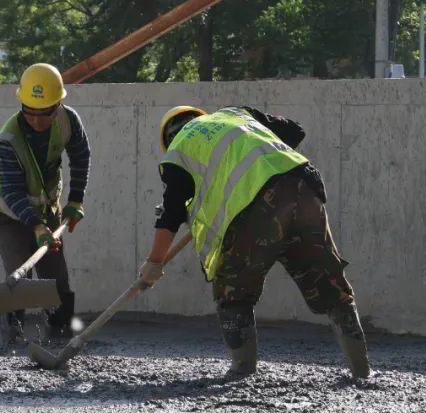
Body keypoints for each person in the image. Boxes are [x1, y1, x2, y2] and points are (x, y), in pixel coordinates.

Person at [139, 105, 370, 381]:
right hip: (304, 185)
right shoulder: (235, 114)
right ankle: (361, 370)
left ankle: (242, 368)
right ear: (200, 116)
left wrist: (154, 262)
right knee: (328, 281)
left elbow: (171, 213)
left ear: (167, 138)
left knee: (233, 288)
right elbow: (294, 131)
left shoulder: (178, 150)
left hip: (255, 206)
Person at [0, 63, 90, 350]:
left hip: (45, 207)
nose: (37, 120)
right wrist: (36, 226)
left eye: (45, 113)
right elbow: (12, 191)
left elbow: (80, 157)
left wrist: (75, 200)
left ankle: (60, 332)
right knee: (19, 271)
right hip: (6, 210)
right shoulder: (7, 140)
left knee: (56, 274)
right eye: (29, 111)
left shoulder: (69, 121)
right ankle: (13, 335)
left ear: (58, 104)